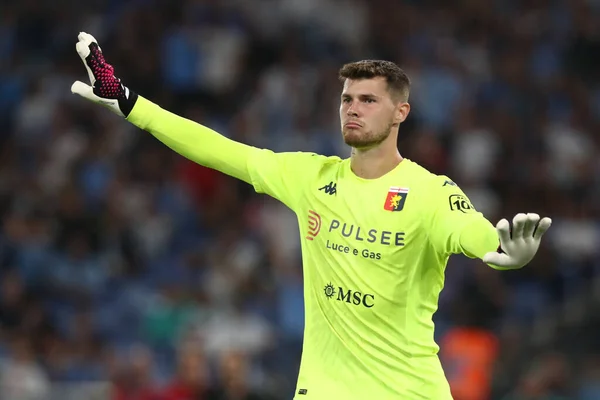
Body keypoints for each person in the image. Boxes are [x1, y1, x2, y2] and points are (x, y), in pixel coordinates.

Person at [71, 32, 552, 400]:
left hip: (407, 391)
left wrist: (503, 253)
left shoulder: (430, 192)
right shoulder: (310, 177)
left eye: (368, 100)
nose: (353, 109)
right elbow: (218, 150)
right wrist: (130, 104)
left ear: (401, 112)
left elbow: (473, 233)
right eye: (347, 99)